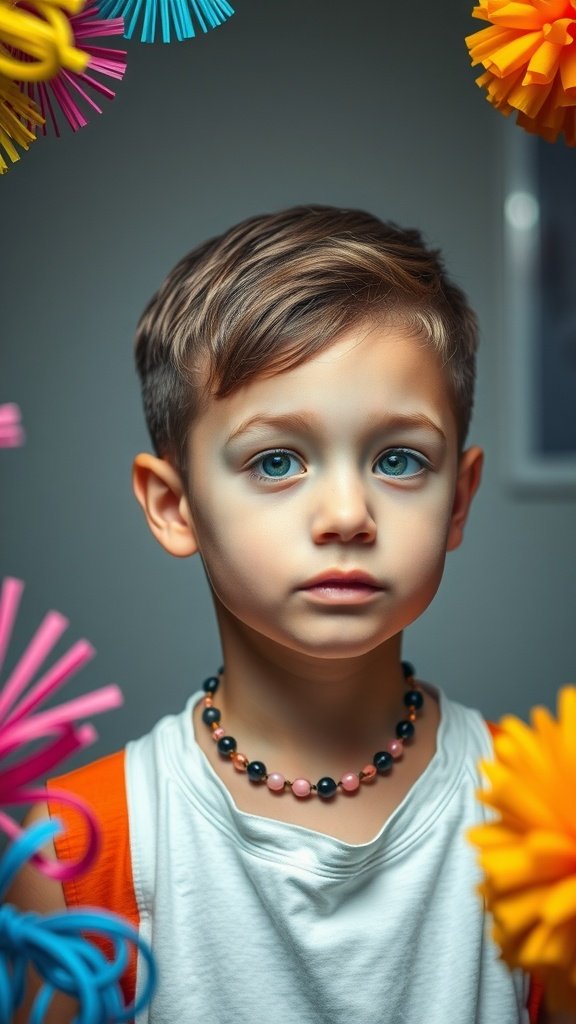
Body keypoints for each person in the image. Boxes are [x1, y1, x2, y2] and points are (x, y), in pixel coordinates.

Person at [9, 206, 565, 1023]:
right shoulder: (80, 849)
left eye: (399, 459)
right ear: (174, 505)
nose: (347, 513)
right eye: (277, 461)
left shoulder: (548, 824)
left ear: (459, 499)